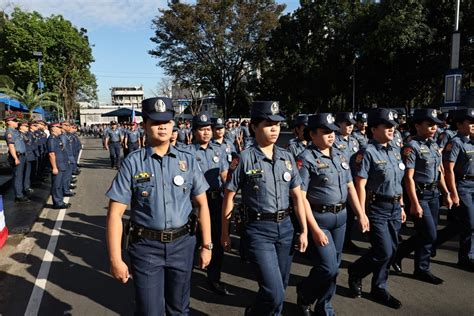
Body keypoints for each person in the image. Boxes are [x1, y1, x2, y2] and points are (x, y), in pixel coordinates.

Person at [106, 97, 212, 315]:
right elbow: (115, 214)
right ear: (144, 125)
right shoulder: (133, 162)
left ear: (173, 124)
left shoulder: (188, 160)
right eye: (155, 122)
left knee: (179, 309)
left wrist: (207, 245)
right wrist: (115, 259)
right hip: (146, 248)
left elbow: (202, 204)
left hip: (182, 245)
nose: (162, 126)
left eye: (167, 121)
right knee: (149, 310)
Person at [221, 101, 308, 316]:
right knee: (274, 291)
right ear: (254, 127)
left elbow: (297, 197)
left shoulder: (287, 157)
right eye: (268, 124)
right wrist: (225, 232)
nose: (275, 129)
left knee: (281, 285)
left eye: (277, 124)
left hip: (286, 229)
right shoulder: (243, 159)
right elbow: (229, 197)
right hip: (259, 230)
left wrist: (304, 230)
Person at [296, 113, 369, 316]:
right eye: (326, 132)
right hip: (320, 220)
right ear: (313, 134)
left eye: (333, 132)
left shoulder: (339, 155)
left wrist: (361, 214)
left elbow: (350, 187)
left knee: (335, 267)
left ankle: (325, 307)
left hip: (341, 218)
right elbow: (301, 198)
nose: (331, 136)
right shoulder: (306, 158)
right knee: (328, 268)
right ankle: (305, 292)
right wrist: (314, 229)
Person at [348, 108, 406, 309]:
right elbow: (360, 185)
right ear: (374, 129)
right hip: (376, 208)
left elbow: (398, 182)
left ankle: (379, 286)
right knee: (384, 250)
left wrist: (401, 205)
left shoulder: (395, 150)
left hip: (394, 207)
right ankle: (357, 271)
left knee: (392, 250)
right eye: (387, 126)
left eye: (393, 126)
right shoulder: (366, 154)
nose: (392, 129)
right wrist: (361, 213)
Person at [392, 109, 452, 284]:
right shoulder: (411, 147)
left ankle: (422, 268)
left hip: (434, 193)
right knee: (430, 234)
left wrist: (446, 193)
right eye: (429, 124)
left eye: (435, 124)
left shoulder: (433, 145)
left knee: (426, 234)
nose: (434, 127)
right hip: (419, 194)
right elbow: (408, 178)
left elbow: (440, 173)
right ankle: (399, 253)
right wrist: (414, 204)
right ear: (418, 125)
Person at [189, 113, 230, 295]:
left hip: (216, 201)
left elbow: (224, 175)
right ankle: (184, 277)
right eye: (201, 129)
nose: (206, 133)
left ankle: (214, 278)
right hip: (195, 203)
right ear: (194, 131)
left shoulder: (218, 150)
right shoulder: (187, 152)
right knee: (193, 241)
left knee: (217, 241)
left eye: (208, 129)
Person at [436, 108, 474, 271]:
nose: (473, 125)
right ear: (459, 124)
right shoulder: (455, 143)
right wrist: (452, 193)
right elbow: (448, 169)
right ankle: (466, 258)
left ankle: (434, 241)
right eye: (470, 122)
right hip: (462, 186)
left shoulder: (472, 141)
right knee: (470, 222)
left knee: (466, 223)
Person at [4, 116, 28, 202]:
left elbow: (26, 140)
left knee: (21, 175)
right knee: (18, 176)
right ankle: (19, 195)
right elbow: (11, 146)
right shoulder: (9, 132)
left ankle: (20, 192)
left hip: (22, 155)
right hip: (17, 156)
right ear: (9, 122)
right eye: (14, 121)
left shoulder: (16, 131)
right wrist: (15, 158)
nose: (17, 122)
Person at [47, 122, 71, 209]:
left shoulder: (57, 138)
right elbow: (51, 154)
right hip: (57, 165)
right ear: (53, 128)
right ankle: (57, 203)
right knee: (56, 185)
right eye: (58, 127)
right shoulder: (52, 139)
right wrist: (54, 167)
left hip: (62, 164)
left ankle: (60, 201)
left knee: (60, 184)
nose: (61, 129)